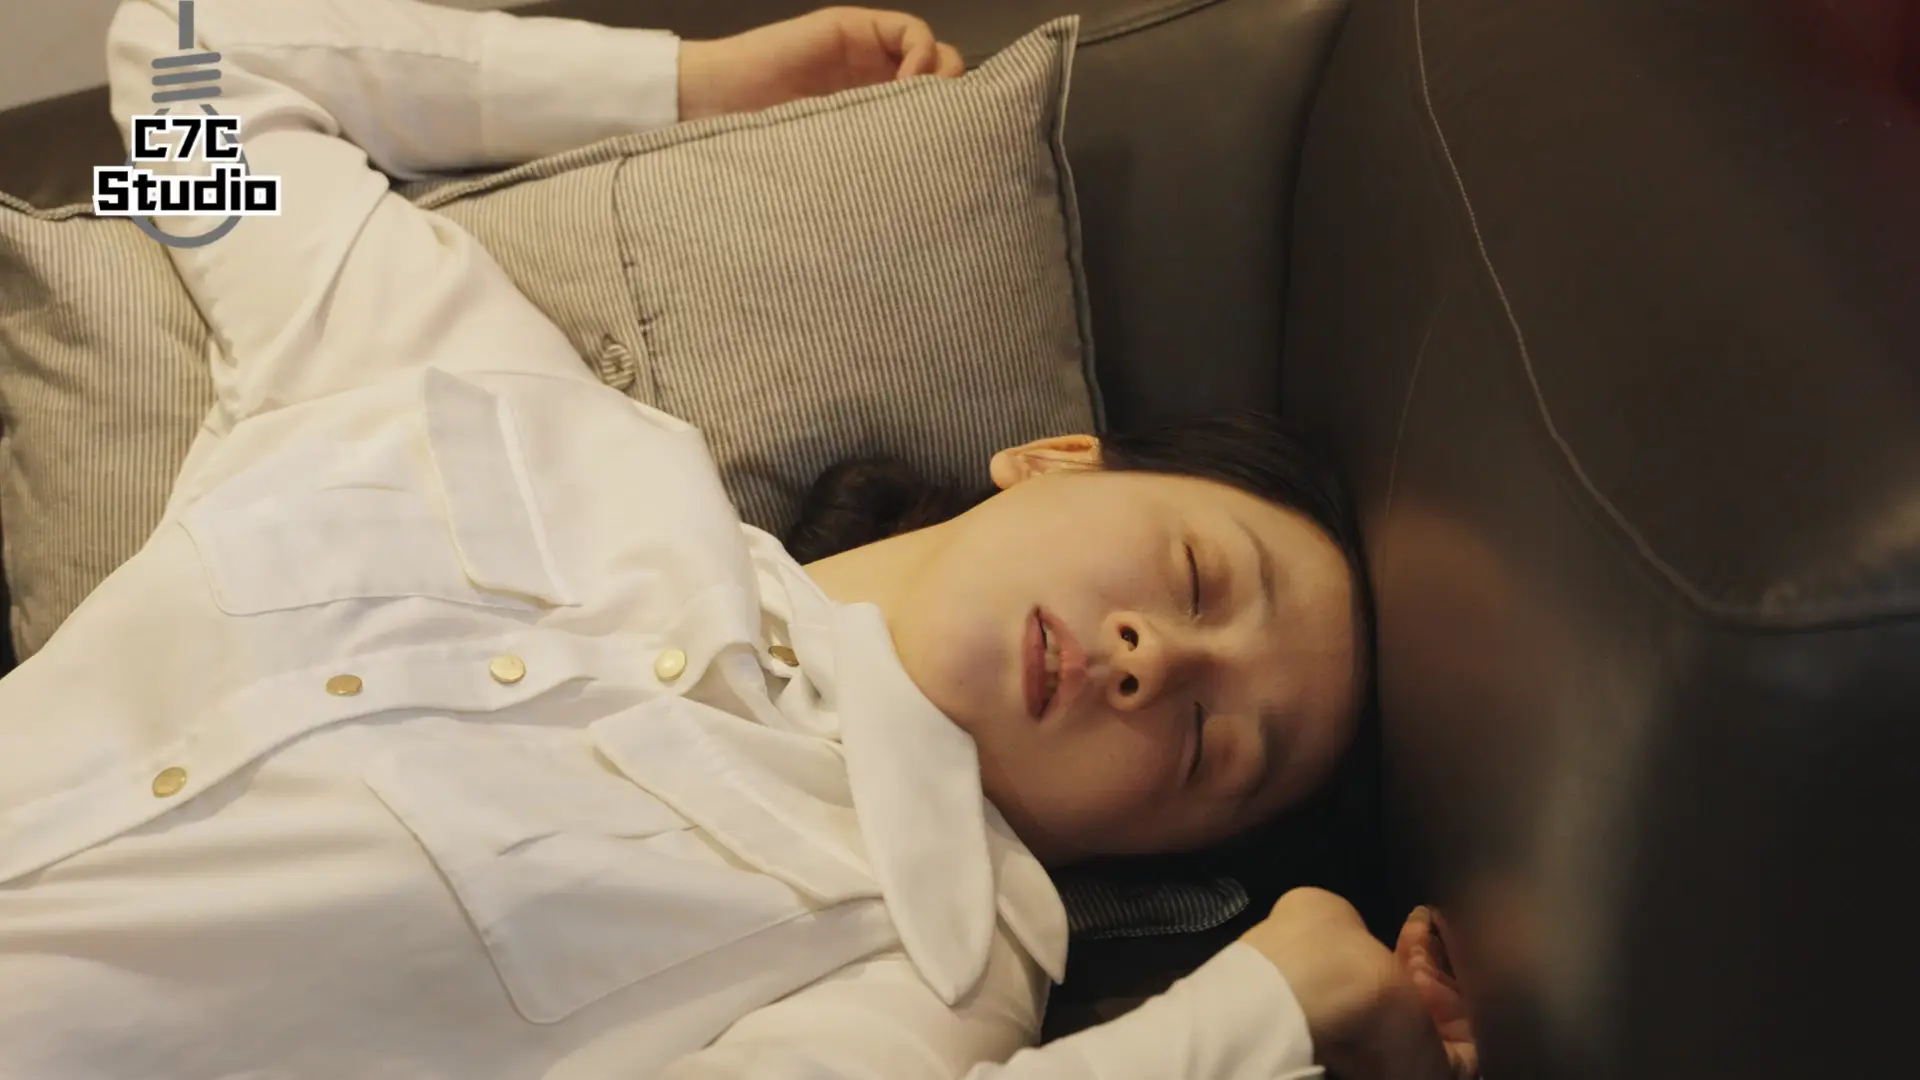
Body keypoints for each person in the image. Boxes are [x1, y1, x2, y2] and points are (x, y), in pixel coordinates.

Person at [0, 1, 1475, 1078]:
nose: (1157, 663)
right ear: (1051, 461)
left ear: (1136, 850)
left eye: (1215, 748)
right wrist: (685, 87)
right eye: (1199, 578)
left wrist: (1280, 998)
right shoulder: (481, 388)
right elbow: (184, 65)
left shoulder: (924, 957)